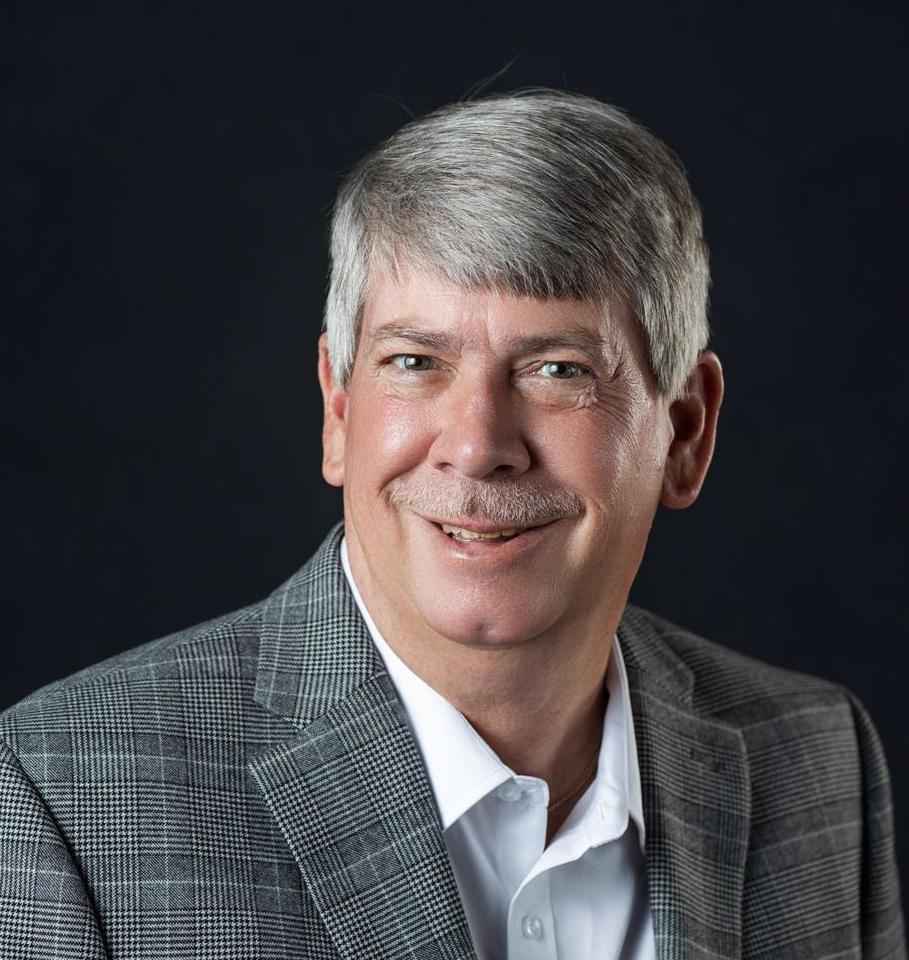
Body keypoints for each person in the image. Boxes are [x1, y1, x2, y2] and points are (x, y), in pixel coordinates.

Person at [0, 89, 904, 960]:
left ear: (684, 430)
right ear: (338, 410)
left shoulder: (813, 757)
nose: (476, 447)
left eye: (557, 369)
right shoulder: (66, 800)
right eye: (414, 361)